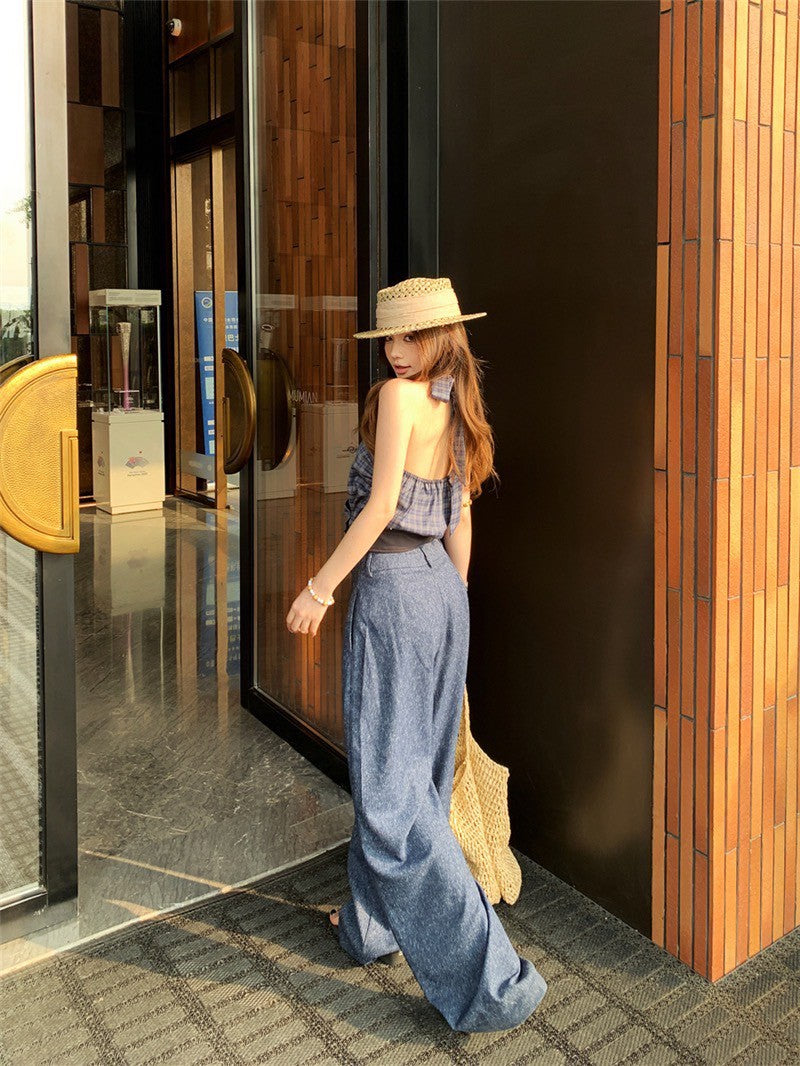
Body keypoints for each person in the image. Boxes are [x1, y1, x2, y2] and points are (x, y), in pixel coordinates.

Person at [285, 277, 547, 1032]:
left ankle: (495, 984)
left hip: (397, 589)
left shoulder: (400, 399)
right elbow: (459, 514)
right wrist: (452, 599)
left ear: (440, 335)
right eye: (389, 340)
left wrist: (321, 588)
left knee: (392, 791)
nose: (396, 353)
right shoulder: (457, 402)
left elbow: (378, 509)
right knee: (415, 776)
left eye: (409, 337)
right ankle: (372, 928)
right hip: (439, 590)